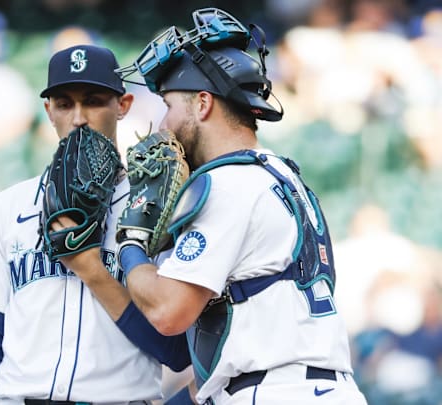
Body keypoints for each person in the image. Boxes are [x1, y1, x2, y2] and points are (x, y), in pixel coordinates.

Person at [72, 8, 370, 405]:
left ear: (202, 104)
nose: (163, 124)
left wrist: (131, 242)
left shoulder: (227, 183)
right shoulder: (279, 174)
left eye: (169, 105)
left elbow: (167, 311)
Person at [0, 44, 190, 405]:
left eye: (94, 101)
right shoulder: (9, 207)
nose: (79, 118)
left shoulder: (156, 206)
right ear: (49, 111)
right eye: (65, 104)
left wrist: (94, 272)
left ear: (123, 105)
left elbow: (176, 351)